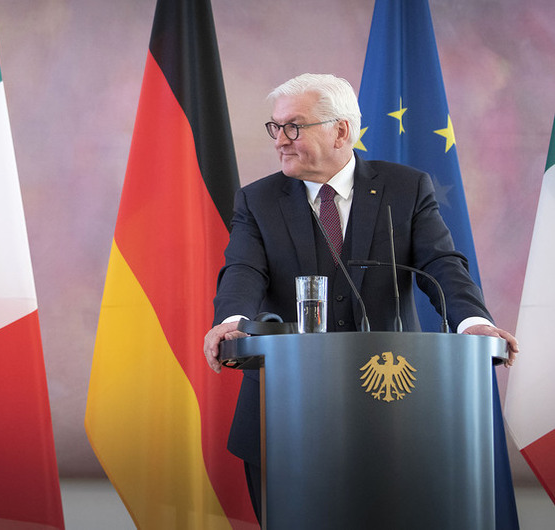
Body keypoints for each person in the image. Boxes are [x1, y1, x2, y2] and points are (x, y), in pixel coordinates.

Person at [201, 73, 518, 520]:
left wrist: (473, 322)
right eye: (275, 127)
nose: (280, 141)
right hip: (286, 417)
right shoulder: (258, 200)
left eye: (294, 126)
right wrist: (233, 321)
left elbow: (441, 264)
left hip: (394, 412)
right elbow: (243, 271)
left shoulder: (405, 188)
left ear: (341, 130)